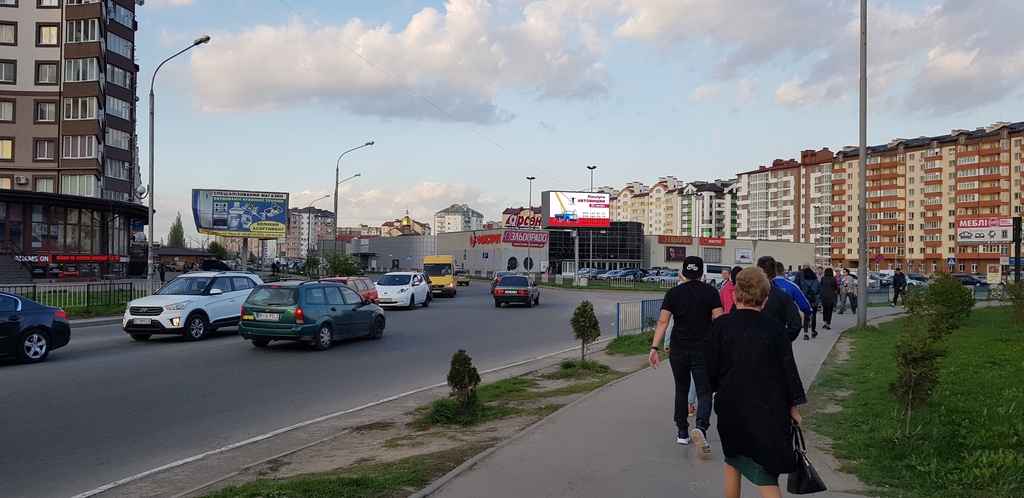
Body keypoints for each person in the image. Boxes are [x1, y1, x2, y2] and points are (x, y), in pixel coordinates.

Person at [705, 268, 807, 498]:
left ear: (734, 296)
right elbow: (788, 370)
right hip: (769, 410)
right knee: (765, 471)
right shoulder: (775, 330)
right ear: (766, 300)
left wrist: (714, 391)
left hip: (732, 407)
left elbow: (710, 369)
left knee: (733, 459)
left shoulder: (720, 326)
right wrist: (793, 406)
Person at [649, 256, 724, 460]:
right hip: (703, 349)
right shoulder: (711, 292)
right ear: (701, 273)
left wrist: (654, 347)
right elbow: (719, 320)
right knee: (704, 390)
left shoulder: (673, 293)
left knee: (681, 389)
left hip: (679, 349)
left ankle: (682, 431)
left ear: (683, 272)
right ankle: (701, 426)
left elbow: (663, 322)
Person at [751, 256, 802, 342]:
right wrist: (783, 340)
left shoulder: (745, 294)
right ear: (775, 274)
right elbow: (795, 324)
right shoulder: (782, 296)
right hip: (773, 343)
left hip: (748, 343)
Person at [799, 268, 821, 340]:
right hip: (814, 301)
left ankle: (805, 333)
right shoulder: (816, 281)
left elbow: (801, 291)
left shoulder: (803, 282)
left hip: (805, 301)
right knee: (814, 316)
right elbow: (819, 291)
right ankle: (813, 331)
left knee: (806, 317)